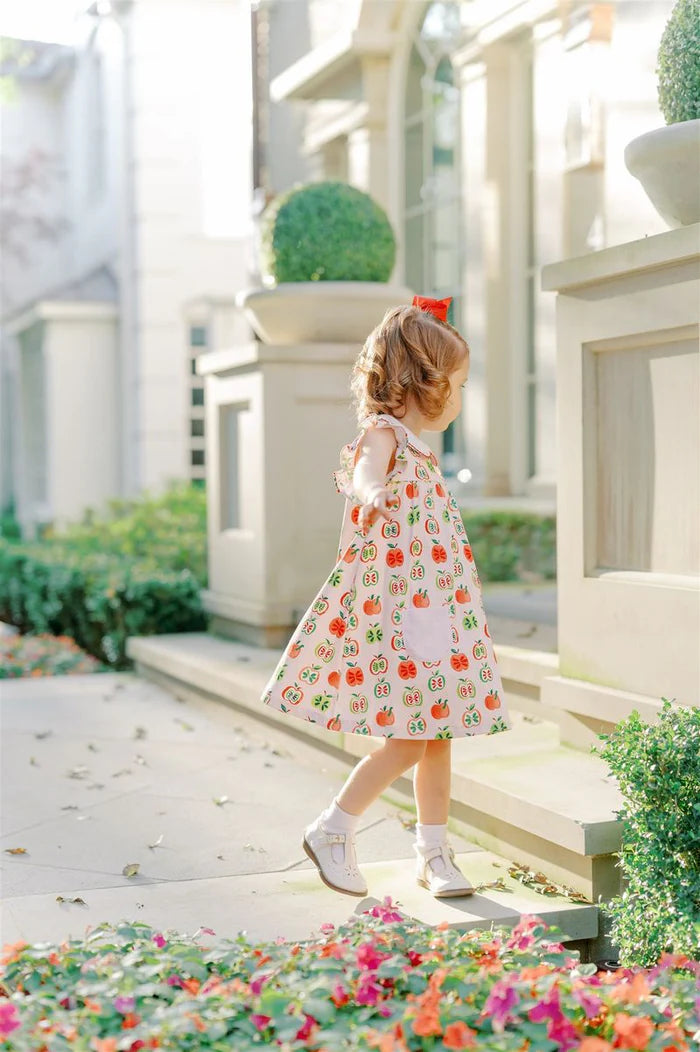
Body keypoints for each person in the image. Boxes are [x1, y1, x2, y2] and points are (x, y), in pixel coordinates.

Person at [261, 296, 511, 899]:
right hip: (402, 619)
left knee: (438, 732)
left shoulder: (423, 451)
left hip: (436, 614)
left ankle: (433, 851)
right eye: (458, 383)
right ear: (424, 382)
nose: (460, 395)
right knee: (408, 737)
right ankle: (334, 827)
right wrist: (370, 493)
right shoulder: (386, 434)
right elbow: (368, 468)